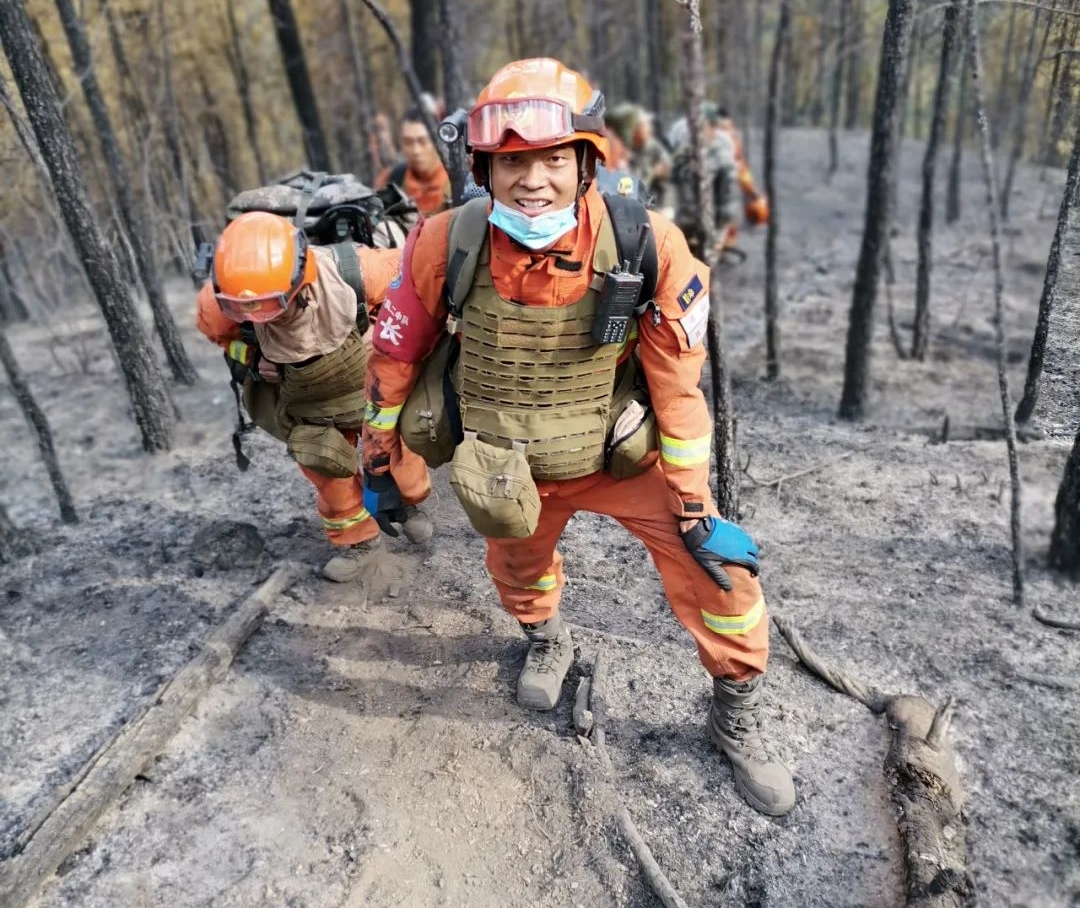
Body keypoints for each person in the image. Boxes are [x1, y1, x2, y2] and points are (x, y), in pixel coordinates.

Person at [362, 59, 794, 816]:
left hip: (613, 451)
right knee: (518, 566)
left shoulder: (647, 246)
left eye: (554, 158)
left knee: (722, 582)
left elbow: (676, 380)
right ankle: (545, 638)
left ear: (589, 160)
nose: (533, 180)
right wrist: (378, 455)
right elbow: (396, 355)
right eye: (514, 161)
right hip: (506, 462)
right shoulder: (445, 244)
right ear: (485, 167)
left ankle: (736, 708)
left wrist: (694, 501)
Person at [196, 211, 432, 581]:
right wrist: (254, 359)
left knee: (397, 453)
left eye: (271, 304)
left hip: (368, 384)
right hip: (307, 405)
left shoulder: (360, 273)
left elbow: (416, 287)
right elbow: (220, 337)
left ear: (300, 279)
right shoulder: (217, 305)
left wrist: (386, 330)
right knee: (325, 466)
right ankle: (359, 542)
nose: (257, 317)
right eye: (241, 308)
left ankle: (408, 506)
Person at [672, 104, 769, 257]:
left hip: (716, 214)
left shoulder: (723, 147)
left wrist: (751, 192)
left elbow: (730, 187)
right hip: (689, 218)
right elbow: (678, 184)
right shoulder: (685, 149)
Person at [377, 106, 452, 218]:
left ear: (436, 141)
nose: (416, 151)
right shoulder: (390, 181)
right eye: (408, 142)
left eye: (422, 141)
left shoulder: (457, 181)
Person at [607, 101, 672, 212]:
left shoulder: (652, 147)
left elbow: (667, 168)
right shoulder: (617, 152)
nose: (649, 128)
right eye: (644, 124)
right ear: (634, 129)